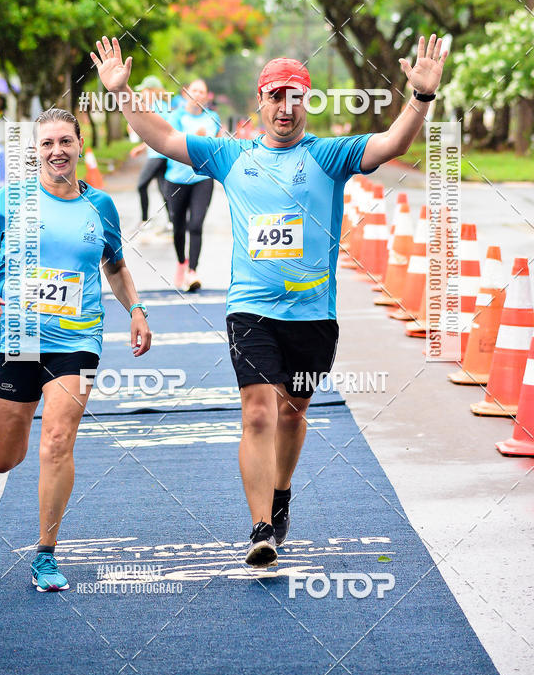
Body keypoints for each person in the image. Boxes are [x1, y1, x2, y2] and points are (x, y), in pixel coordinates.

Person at [91, 33, 448, 567]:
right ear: (260, 102)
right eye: (276, 95)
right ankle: (260, 526)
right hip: (251, 310)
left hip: (314, 315)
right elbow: (163, 138)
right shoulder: (231, 155)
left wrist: (419, 97)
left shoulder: (329, 155)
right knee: (258, 413)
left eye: (295, 95)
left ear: (307, 101)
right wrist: (121, 93)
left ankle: (281, 492)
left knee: (291, 412)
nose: (285, 106)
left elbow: (392, 143)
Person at [0, 108, 151, 591]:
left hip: (77, 340)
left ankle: (45, 553)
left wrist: (137, 310)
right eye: (47, 144)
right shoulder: (12, 200)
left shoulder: (100, 205)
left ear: (80, 145)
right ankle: (24, 460)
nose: (57, 151)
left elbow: (115, 266)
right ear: (36, 151)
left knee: (58, 440)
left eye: (65, 141)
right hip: (16, 336)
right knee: (2, 458)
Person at [161, 78, 221, 291]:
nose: (198, 94)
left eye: (202, 91)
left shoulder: (212, 118)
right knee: (178, 227)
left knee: (195, 225)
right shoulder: (175, 116)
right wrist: (193, 138)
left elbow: (213, 145)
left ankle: (192, 271)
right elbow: (172, 140)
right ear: (186, 93)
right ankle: (181, 263)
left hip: (202, 179)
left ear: (206, 96)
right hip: (176, 179)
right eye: (194, 90)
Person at [129, 75, 173, 229]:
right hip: (161, 154)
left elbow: (157, 134)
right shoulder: (160, 106)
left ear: (152, 91)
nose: (141, 95)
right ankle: (172, 221)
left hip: (158, 155)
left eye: (144, 91)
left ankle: (145, 220)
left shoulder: (157, 107)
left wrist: (140, 147)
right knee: (163, 189)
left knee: (142, 185)